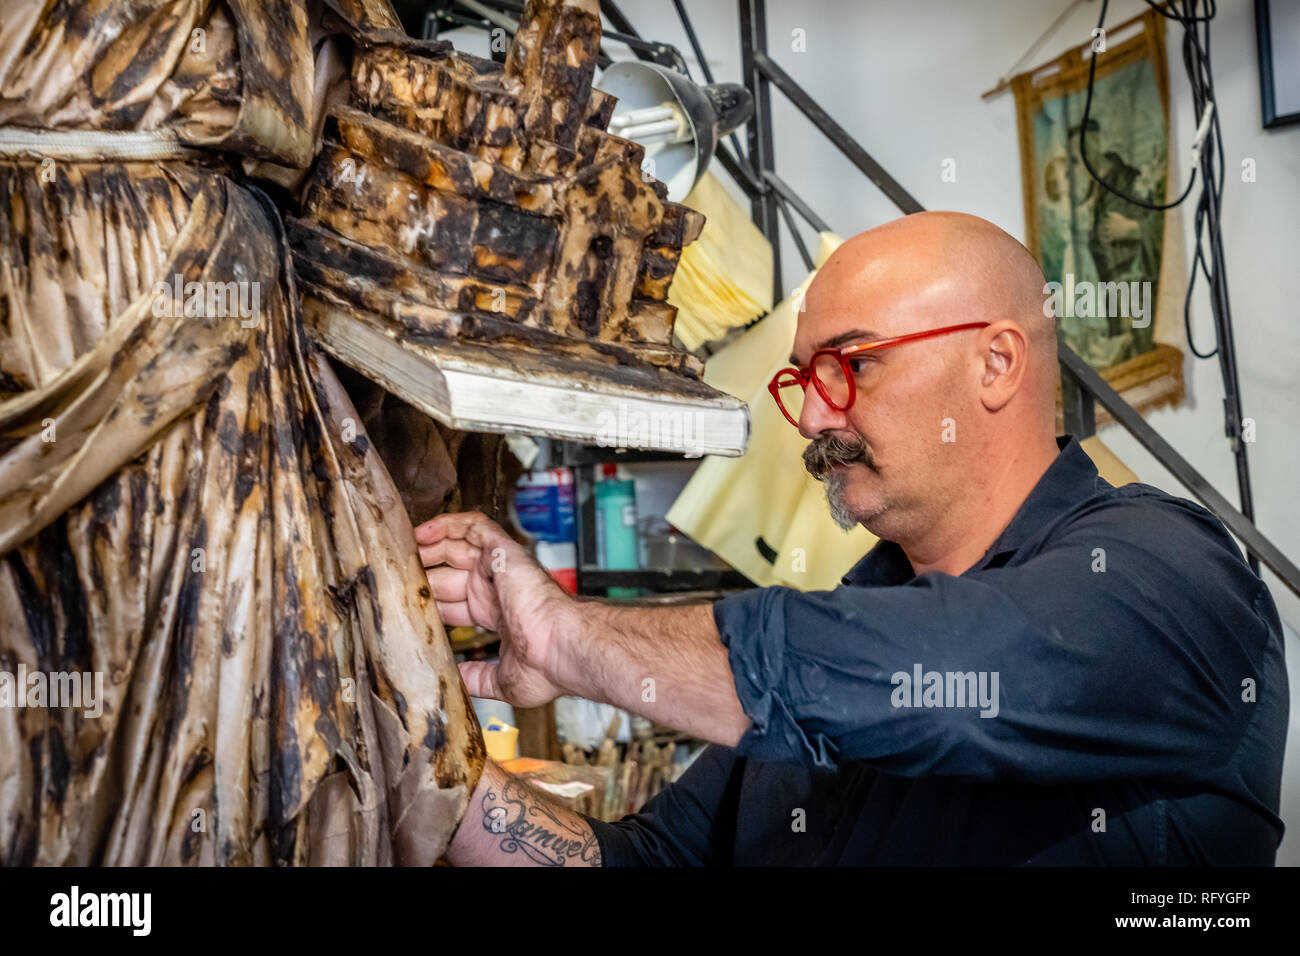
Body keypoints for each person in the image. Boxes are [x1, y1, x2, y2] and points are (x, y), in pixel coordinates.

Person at [419, 211, 1289, 866]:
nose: (817, 418)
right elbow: (648, 862)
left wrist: (569, 636)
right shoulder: (857, 613)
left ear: (997, 362)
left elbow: (943, 673)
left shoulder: (1170, 576)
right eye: (805, 379)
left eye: (855, 364)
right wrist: (428, 781)